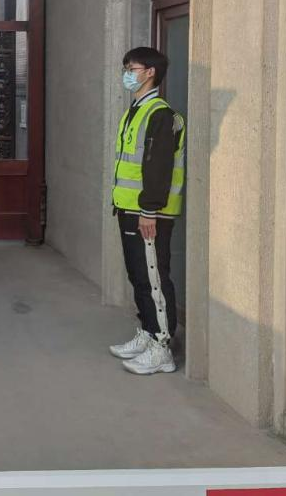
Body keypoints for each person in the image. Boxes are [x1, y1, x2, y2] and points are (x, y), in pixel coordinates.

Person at [108, 46, 186, 375]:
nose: (127, 74)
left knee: (153, 276)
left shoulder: (160, 114)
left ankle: (161, 347)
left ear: (150, 72)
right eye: (126, 68)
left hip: (149, 212)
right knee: (138, 274)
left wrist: (149, 211)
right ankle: (147, 332)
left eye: (132, 68)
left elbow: (158, 168)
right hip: (129, 207)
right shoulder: (136, 110)